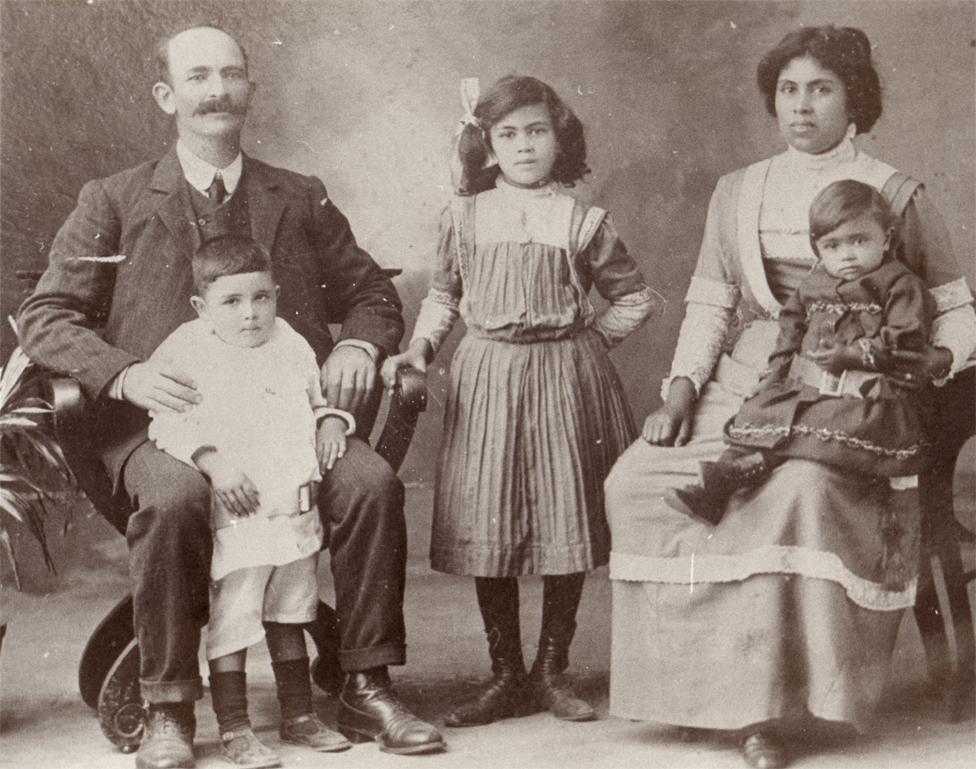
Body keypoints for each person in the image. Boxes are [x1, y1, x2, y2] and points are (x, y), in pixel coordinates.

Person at [17, 24, 444, 769]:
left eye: (230, 75)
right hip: (167, 429)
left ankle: (367, 682)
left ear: (250, 87)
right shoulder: (113, 199)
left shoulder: (297, 195)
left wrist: (355, 342)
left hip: (288, 427)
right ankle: (170, 707)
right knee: (179, 495)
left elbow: (373, 292)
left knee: (370, 482)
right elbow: (46, 316)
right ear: (166, 95)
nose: (216, 91)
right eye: (197, 77)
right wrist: (122, 372)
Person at [605, 25, 976, 769]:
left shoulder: (898, 193)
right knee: (637, 479)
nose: (801, 106)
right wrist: (680, 389)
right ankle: (697, 695)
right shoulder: (739, 190)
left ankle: (772, 708)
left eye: (821, 88)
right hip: (755, 375)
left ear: (855, 99)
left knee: (795, 488)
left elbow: (958, 308)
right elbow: (711, 305)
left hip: (854, 391)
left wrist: (931, 363)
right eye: (788, 90)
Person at [383, 75, 658, 727]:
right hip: (487, 376)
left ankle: (551, 669)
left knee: (567, 515)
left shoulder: (584, 219)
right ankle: (504, 673)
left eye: (537, 130)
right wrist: (420, 349)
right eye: (508, 134)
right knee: (491, 518)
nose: (524, 145)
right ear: (487, 144)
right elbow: (444, 297)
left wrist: (584, 344)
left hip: (568, 378)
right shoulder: (464, 215)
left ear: (560, 137)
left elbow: (636, 298)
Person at [148, 235, 356, 767]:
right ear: (201, 307)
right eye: (232, 302)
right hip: (240, 518)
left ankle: (299, 715)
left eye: (262, 298)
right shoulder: (186, 348)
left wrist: (331, 419)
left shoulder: (289, 342)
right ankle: (236, 728)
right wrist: (213, 461)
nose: (250, 315)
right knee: (235, 618)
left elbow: (314, 401)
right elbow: (166, 421)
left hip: (293, 511)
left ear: (277, 295)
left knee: (292, 612)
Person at [674, 180, 933, 540]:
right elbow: (789, 331)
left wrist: (851, 355)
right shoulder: (813, 285)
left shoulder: (899, 285)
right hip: (811, 387)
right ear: (818, 249)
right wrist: (774, 375)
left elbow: (907, 341)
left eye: (860, 241)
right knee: (761, 409)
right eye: (833, 245)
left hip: (869, 395)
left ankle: (745, 470)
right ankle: (719, 482)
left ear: (886, 239)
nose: (847, 255)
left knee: (831, 419)